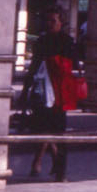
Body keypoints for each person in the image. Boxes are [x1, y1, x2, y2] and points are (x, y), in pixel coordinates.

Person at [24, 9, 82, 181]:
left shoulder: (67, 42)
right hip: (42, 91)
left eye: (53, 21)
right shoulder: (41, 41)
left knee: (57, 131)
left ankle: (56, 167)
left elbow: (74, 64)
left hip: (59, 93)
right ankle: (48, 162)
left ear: (61, 23)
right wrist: (26, 90)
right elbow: (34, 66)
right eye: (47, 20)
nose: (49, 24)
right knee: (42, 128)